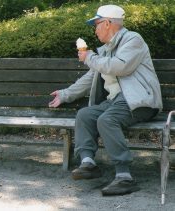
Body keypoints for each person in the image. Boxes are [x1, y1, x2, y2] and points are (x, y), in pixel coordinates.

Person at [49, 4, 162, 196]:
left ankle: (124, 177)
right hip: (116, 101)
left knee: (106, 120)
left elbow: (119, 67)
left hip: (139, 101)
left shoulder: (133, 40)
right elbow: (89, 78)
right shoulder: (104, 51)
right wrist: (65, 94)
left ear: (108, 23)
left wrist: (89, 56)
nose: (95, 29)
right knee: (85, 115)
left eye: (97, 24)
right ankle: (88, 164)